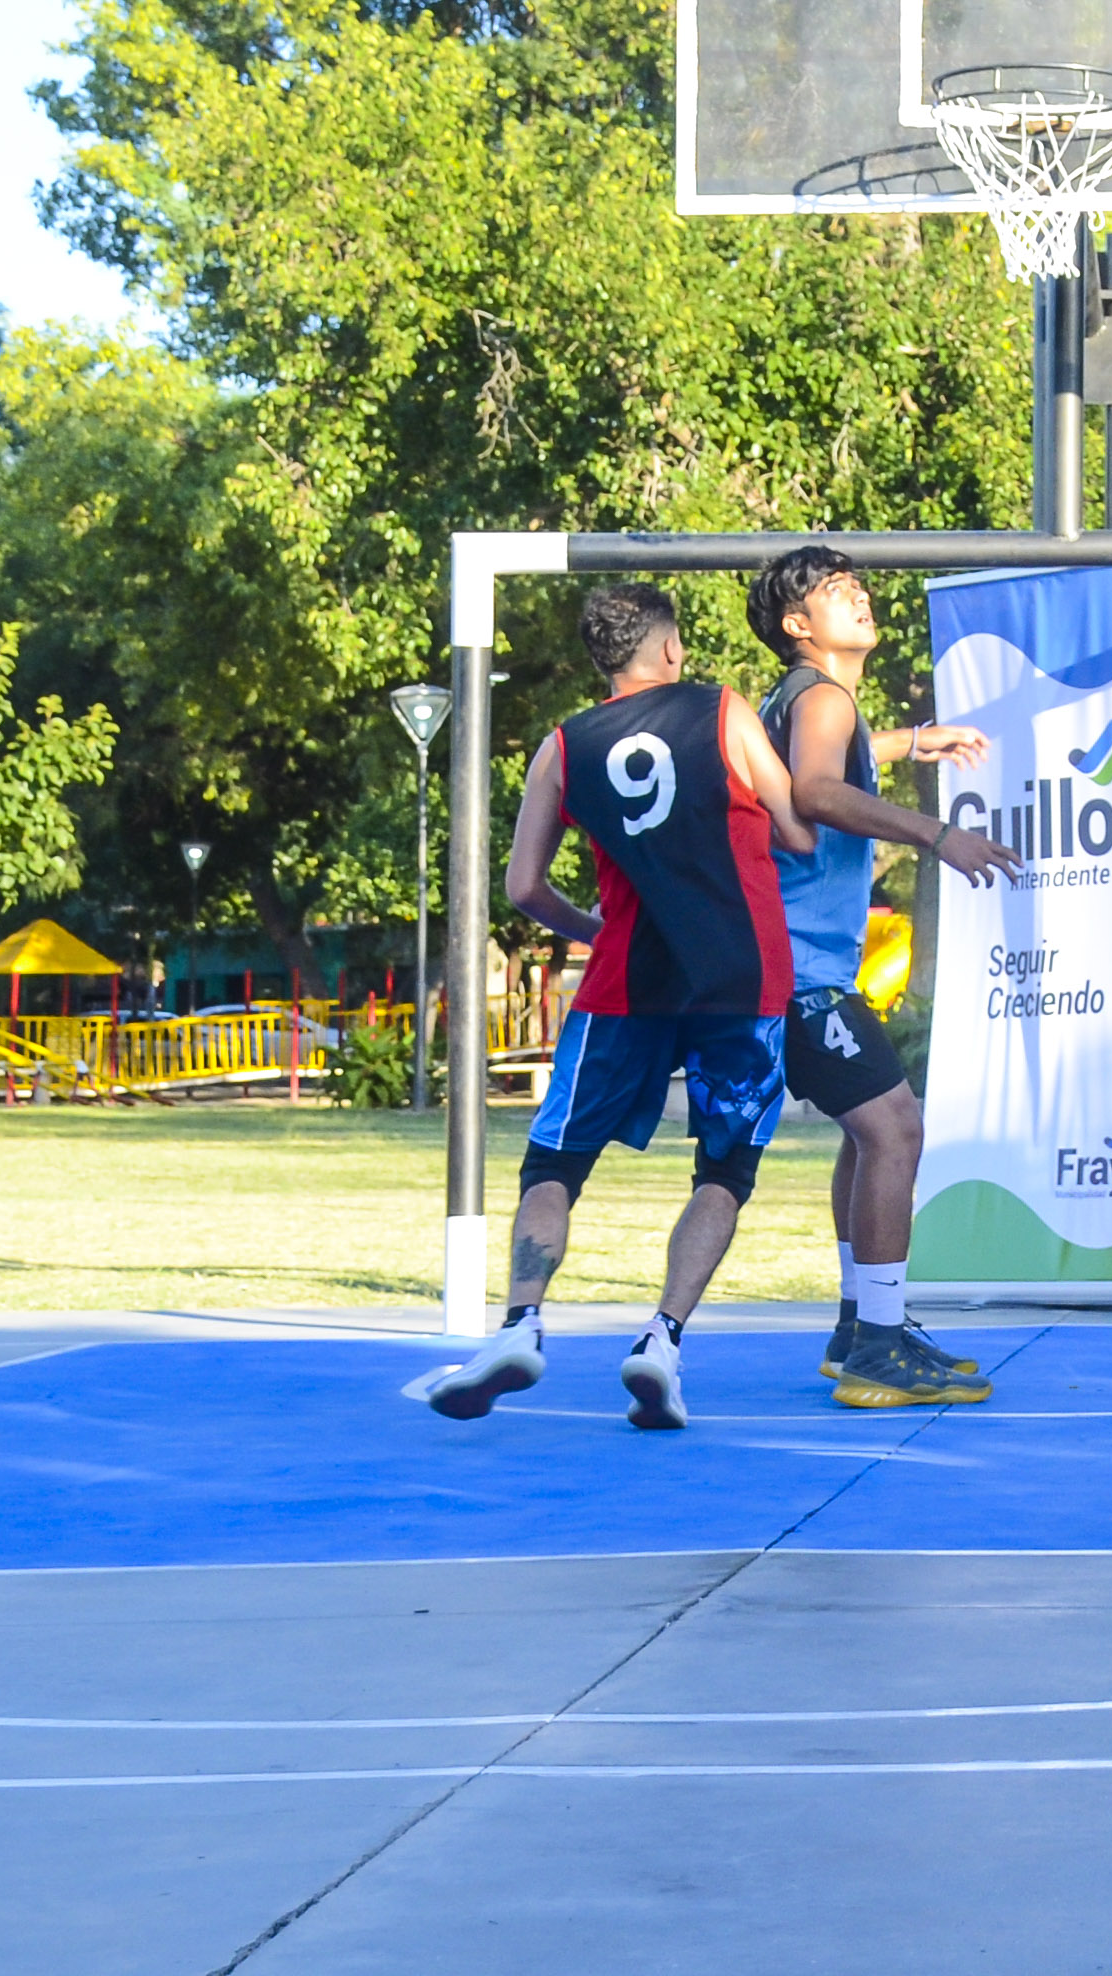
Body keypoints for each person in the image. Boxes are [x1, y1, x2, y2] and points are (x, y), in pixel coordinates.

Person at [431, 582, 829, 1427]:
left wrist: (592, 925)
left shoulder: (563, 746)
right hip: (740, 975)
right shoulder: (723, 713)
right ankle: (661, 1340)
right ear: (671, 649)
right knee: (725, 1171)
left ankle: (520, 1324)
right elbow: (798, 831)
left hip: (625, 981)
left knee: (554, 1166)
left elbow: (523, 886)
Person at [747, 545, 1026, 1410]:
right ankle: (876, 1343)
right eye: (837, 591)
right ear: (799, 626)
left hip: (800, 964)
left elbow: (826, 759)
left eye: (858, 584)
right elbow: (820, 789)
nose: (860, 596)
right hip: (800, 972)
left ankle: (860, 1324)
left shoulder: (808, 700)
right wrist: (937, 834)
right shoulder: (823, 695)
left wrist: (913, 740)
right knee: (897, 1132)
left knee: (866, 1135)